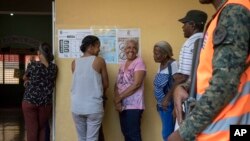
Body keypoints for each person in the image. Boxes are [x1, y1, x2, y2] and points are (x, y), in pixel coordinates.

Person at [169, 0, 250, 141]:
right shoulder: (224, 14)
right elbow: (215, 72)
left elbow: (224, 84)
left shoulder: (235, 12)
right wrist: (185, 87)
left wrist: (182, 133)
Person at [161, 10, 208, 110]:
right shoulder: (206, 39)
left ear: (192, 25)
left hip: (190, 94)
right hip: (203, 91)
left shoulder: (190, 43)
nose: (182, 27)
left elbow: (184, 77)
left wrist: (168, 98)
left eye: (184, 24)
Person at [71, 35, 109, 141]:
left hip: (77, 107)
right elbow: (106, 84)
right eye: (98, 46)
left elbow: (79, 83)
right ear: (90, 47)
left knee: (81, 138)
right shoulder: (99, 61)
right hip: (93, 107)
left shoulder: (74, 63)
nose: (99, 49)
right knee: (92, 139)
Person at [22, 42, 58, 141]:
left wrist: (27, 81)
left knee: (32, 129)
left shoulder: (33, 65)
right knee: (42, 128)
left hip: (30, 101)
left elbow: (25, 77)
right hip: (45, 103)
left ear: (39, 53)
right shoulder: (54, 68)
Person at [114, 39, 146, 141]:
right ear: (124, 50)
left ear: (137, 50)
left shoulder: (139, 62)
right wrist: (117, 101)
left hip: (134, 105)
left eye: (134, 48)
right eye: (128, 47)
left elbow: (137, 84)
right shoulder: (123, 64)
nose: (131, 50)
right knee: (126, 133)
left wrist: (119, 97)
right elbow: (117, 84)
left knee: (133, 134)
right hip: (122, 105)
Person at [153, 41, 178, 141]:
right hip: (161, 106)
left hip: (169, 105)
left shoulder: (173, 64)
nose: (154, 55)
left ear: (165, 54)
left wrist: (167, 99)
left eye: (156, 53)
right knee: (167, 132)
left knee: (167, 134)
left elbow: (178, 83)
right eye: (154, 52)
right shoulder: (161, 65)